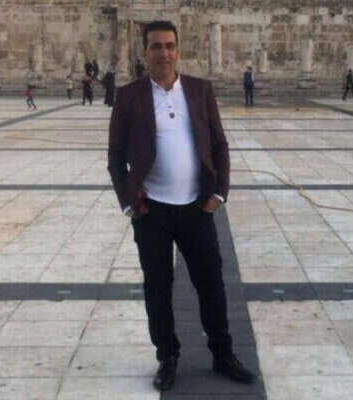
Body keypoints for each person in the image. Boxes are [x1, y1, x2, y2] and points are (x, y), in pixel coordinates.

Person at [108, 20, 255, 392]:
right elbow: (115, 157)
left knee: (212, 284)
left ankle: (222, 353)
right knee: (158, 288)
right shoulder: (129, 96)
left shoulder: (199, 90)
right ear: (145, 52)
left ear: (178, 49)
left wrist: (219, 193)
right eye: (156, 46)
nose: (164, 53)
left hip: (196, 207)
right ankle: (167, 357)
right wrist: (128, 204)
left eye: (170, 46)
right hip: (151, 212)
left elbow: (219, 144)